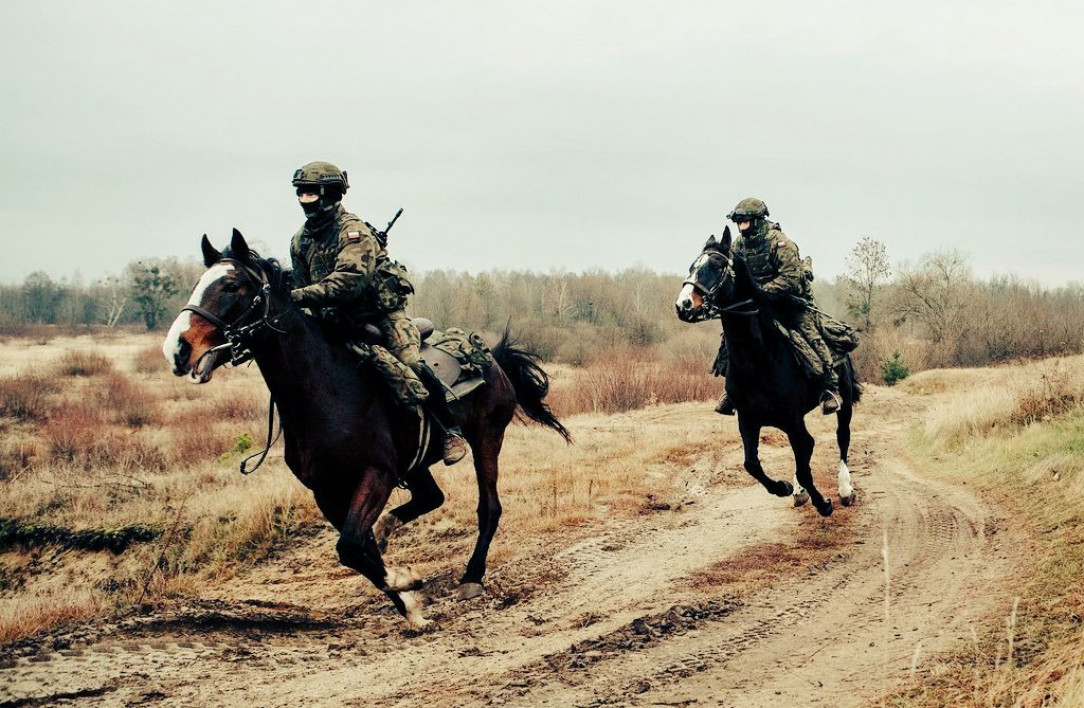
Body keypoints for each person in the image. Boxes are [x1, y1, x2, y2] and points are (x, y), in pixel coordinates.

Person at [288, 160, 468, 465]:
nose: (305, 198)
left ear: (330, 193)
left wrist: (294, 296)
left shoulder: (353, 233)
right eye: (301, 192)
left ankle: (450, 430)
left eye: (310, 191)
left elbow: (349, 281)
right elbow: (300, 284)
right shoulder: (300, 240)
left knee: (411, 362)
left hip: (381, 316)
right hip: (337, 321)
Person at [714, 197, 842, 416]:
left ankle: (829, 387)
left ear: (756, 220)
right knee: (731, 338)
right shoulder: (737, 245)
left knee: (810, 336)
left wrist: (761, 292)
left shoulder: (780, 243)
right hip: (757, 305)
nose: (741, 225)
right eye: (738, 221)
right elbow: (734, 274)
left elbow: (790, 279)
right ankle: (732, 391)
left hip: (789, 303)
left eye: (745, 220)